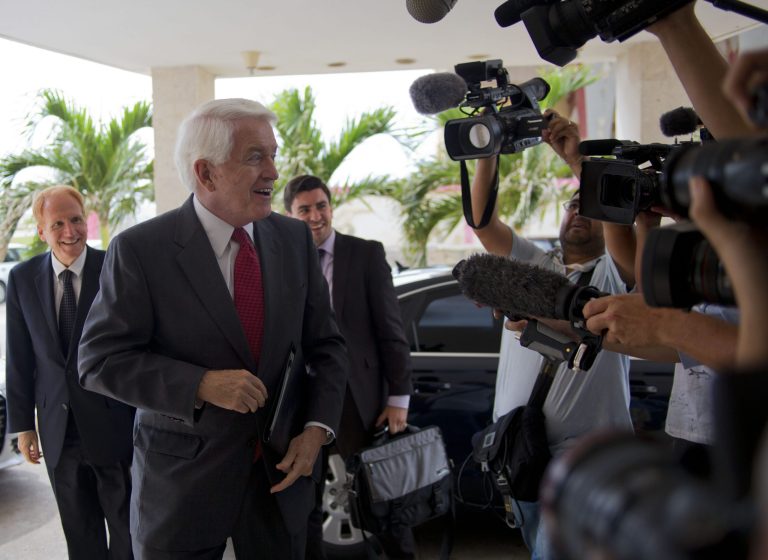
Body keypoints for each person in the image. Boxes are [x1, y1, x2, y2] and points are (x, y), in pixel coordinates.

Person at [77, 99, 349, 560]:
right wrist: (199, 384)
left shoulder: (293, 239)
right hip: (181, 492)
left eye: (273, 155)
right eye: (255, 157)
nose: (273, 172)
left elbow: (327, 346)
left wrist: (316, 430)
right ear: (206, 173)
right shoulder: (141, 250)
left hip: (280, 483)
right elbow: (99, 362)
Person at [467, 114, 634, 560]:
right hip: (519, 452)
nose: (580, 211)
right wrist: (487, 149)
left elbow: (619, 222)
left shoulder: (614, 274)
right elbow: (483, 224)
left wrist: (578, 160)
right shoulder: (534, 266)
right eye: (573, 204)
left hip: (586, 459)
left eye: (589, 205)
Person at [283, 174, 415, 559]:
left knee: (382, 501)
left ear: (330, 207)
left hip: (358, 403)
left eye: (321, 206)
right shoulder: (284, 262)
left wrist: (399, 398)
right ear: (290, 215)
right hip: (301, 405)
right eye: (304, 209)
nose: (315, 216)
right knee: (305, 505)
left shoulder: (366, 254)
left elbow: (391, 330)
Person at [5, 184, 134, 560]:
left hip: (114, 424)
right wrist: (23, 426)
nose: (70, 231)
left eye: (76, 219)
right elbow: (19, 357)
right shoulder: (22, 279)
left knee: (127, 528)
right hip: (58, 431)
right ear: (41, 231)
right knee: (80, 532)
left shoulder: (115, 267)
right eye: (57, 223)